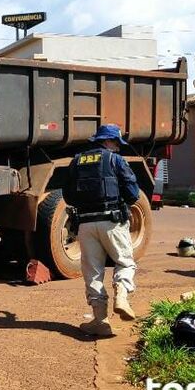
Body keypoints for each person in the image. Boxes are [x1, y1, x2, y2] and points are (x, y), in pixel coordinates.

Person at [64, 124, 141, 337]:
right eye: (116, 143)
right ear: (107, 141)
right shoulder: (115, 160)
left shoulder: (76, 161)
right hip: (112, 222)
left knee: (93, 272)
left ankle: (100, 321)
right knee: (124, 261)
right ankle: (122, 296)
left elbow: (68, 196)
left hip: (86, 225)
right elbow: (133, 193)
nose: (117, 147)